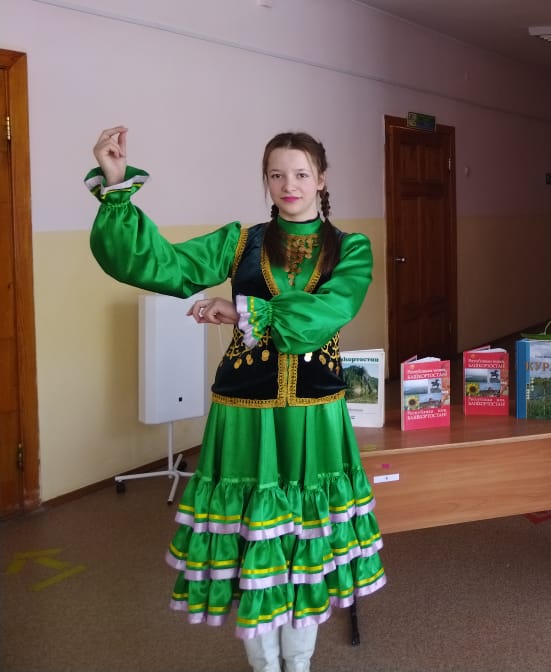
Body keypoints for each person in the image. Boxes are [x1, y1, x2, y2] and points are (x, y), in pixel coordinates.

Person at [87, 126, 385, 672]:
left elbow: (328, 314)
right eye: (276, 174)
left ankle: (298, 661)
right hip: (245, 415)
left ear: (321, 179)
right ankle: (264, 663)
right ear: (265, 181)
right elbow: (163, 264)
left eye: (301, 174)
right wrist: (115, 185)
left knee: (304, 541)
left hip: (314, 417)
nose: (289, 185)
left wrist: (244, 310)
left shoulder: (351, 248)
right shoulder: (239, 242)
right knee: (253, 540)